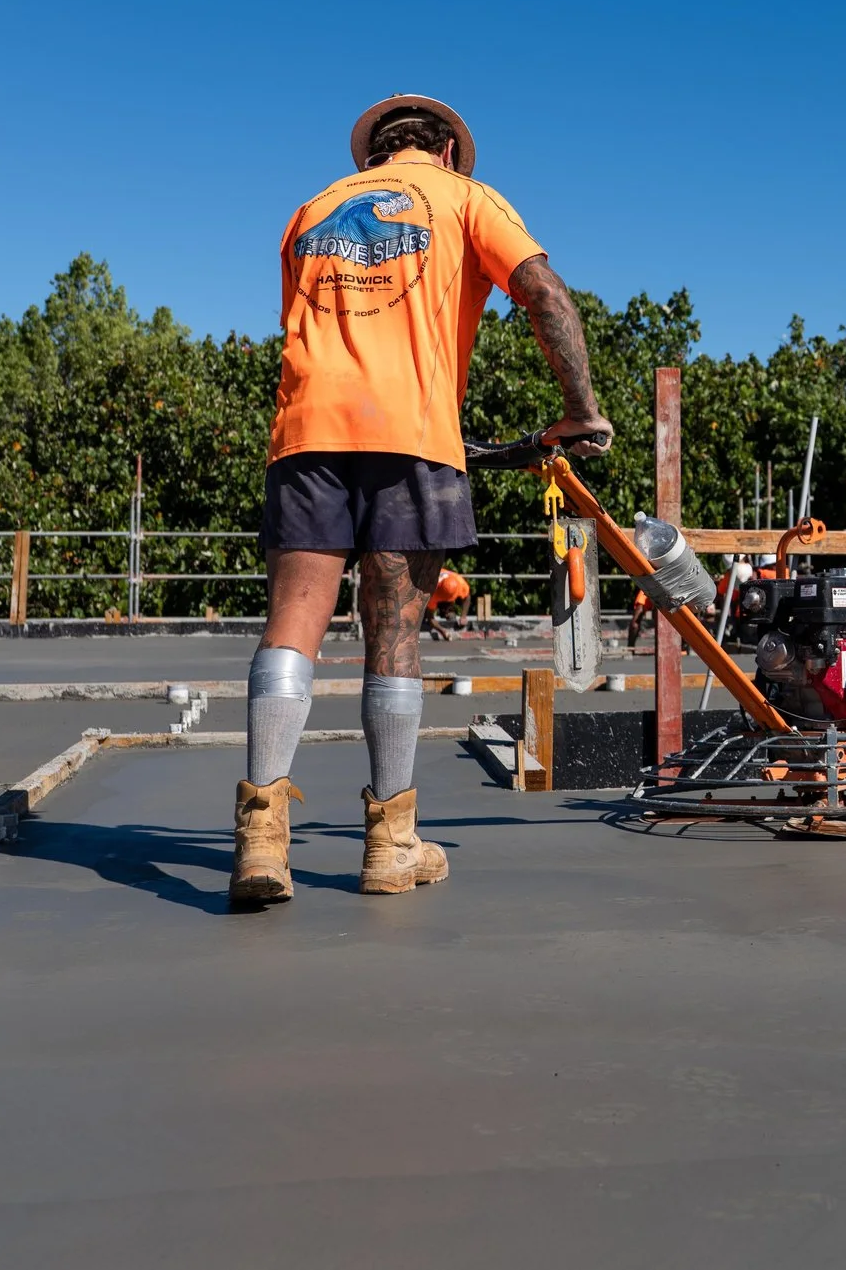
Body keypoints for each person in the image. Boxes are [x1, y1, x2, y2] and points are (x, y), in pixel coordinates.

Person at [231, 94, 612, 908]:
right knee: (395, 625)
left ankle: (261, 835)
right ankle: (390, 843)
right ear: (444, 148)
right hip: (410, 431)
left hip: (308, 430)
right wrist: (581, 409)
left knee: (293, 623)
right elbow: (541, 289)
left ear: (375, 153)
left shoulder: (311, 210)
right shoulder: (466, 198)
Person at [424, 567, 472, 641]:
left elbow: (467, 597)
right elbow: (430, 618)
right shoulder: (432, 592)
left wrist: (463, 616)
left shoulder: (459, 582)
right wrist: (443, 631)